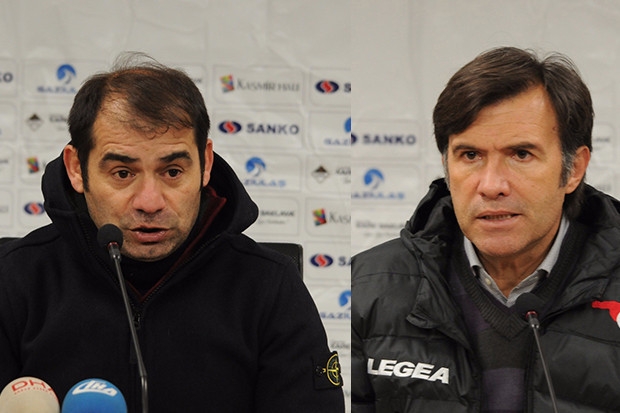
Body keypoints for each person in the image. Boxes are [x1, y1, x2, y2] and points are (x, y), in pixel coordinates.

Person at [0, 53, 344, 412]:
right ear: (76, 168)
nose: (150, 202)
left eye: (173, 172)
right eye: (122, 173)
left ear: (205, 163)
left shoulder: (269, 286)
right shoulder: (12, 279)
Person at [352, 46, 620, 412]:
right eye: (470, 155)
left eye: (521, 154)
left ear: (573, 169)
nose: (492, 185)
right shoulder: (366, 288)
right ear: (447, 166)